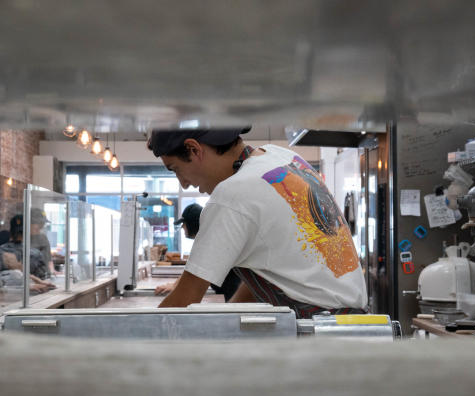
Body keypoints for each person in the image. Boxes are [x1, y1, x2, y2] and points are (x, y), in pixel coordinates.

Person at [147, 126, 367, 316]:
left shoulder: (231, 194)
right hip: (352, 327)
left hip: (321, 339)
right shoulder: (280, 157)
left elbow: (183, 300)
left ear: (194, 149)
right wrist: (230, 315)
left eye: (176, 169)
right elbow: (270, 266)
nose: (183, 184)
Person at [154, 203, 241, 301]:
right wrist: (175, 285)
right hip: (228, 294)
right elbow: (193, 267)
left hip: (233, 297)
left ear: (192, 224)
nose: (182, 227)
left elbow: (196, 269)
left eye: (184, 223)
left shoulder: (209, 241)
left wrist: (176, 287)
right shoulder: (206, 238)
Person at [0, 214, 56, 293]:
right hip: (32, 298)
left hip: (1, 299)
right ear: (28, 231)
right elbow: (44, 282)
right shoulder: (36, 254)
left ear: (10, 231)